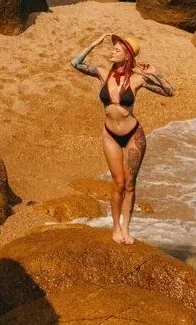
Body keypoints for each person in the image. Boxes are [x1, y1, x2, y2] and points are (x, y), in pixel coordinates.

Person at [71, 32, 175, 244]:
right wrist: (94, 43)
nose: (112, 51)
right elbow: (76, 63)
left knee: (130, 184)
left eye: (117, 49)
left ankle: (126, 228)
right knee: (118, 183)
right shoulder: (102, 73)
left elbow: (169, 92)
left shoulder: (138, 79)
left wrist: (156, 73)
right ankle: (116, 228)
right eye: (113, 48)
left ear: (127, 55)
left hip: (133, 134)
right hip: (109, 135)